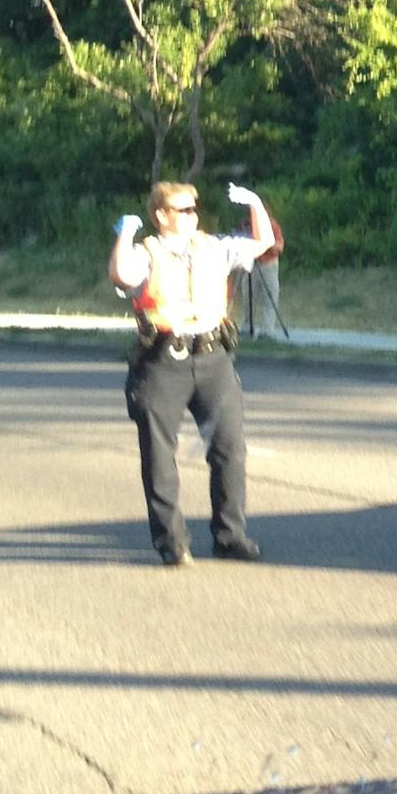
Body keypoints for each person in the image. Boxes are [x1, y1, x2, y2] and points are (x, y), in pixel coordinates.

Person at [108, 177, 276, 567]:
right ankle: (171, 542)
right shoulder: (145, 253)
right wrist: (125, 234)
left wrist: (255, 203)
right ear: (161, 215)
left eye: (194, 209)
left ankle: (230, 536)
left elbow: (263, 242)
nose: (192, 216)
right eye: (183, 210)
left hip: (213, 356)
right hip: (162, 361)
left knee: (229, 450)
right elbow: (121, 275)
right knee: (159, 455)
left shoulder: (213, 247)